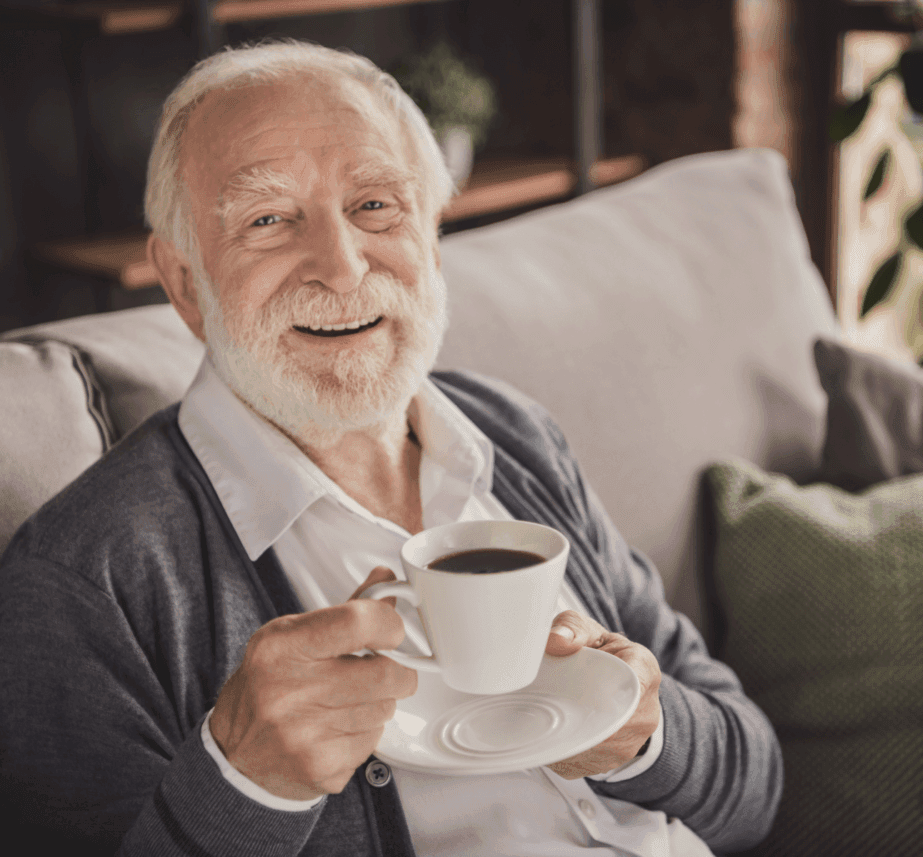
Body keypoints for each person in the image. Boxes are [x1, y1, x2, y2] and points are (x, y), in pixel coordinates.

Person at [0, 40, 782, 856]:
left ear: (433, 238)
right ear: (187, 284)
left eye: (376, 205)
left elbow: (754, 786)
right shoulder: (83, 580)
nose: (341, 268)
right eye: (268, 220)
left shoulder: (514, 436)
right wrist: (241, 783)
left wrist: (645, 736)